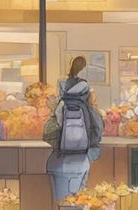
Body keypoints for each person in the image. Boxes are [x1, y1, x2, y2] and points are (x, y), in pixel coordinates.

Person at [42, 56, 104, 201]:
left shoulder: (61, 107)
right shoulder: (90, 111)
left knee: (61, 207)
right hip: (82, 163)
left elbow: (47, 133)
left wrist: (59, 143)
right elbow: (98, 134)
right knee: (78, 206)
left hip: (58, 163)